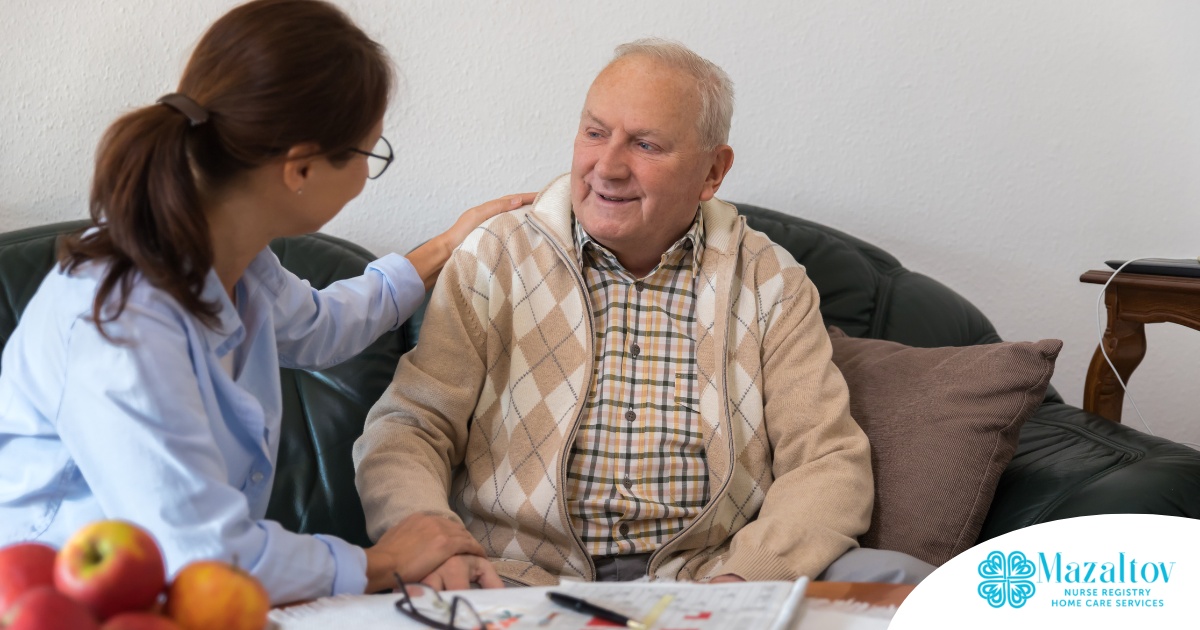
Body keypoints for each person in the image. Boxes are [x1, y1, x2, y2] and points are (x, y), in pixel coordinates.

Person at [353, 39, 935, 589]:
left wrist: (749, 576)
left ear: (713, 172)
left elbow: (826, 459)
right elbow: (411, 426)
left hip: (713, 575)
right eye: (595, 133)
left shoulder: (771, 281)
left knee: (902, 580)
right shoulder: (496, 255)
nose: (607, 166)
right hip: (517, 577)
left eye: (646, 144)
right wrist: (434, 542)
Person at [0, 0, 521, 604]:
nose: (364, 176)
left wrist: (449, 245)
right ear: (299, 169)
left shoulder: (233, 257)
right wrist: (380, 562)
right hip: (61, 601)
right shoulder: (119, 323)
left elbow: (322, 328)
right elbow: (199, 552)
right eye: (369, 154)